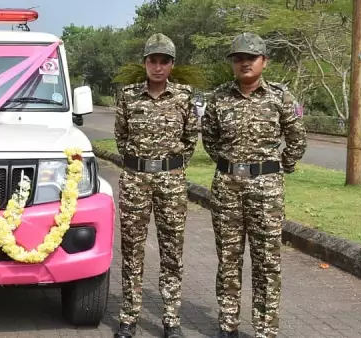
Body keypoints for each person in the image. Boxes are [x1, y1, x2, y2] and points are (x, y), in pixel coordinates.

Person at [201, 32, 307, 338]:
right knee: (228, 259)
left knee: (267, 262)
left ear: (264, 61)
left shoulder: (280, 96)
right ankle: (228, 325)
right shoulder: (219, 97)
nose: (244, 63)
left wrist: (279, 167)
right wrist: (231, 165)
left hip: (266, 189)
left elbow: (297, 138)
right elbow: (209, 138)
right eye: (239, 58)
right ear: (233, 63)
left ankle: (265, 329)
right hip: (227, 188)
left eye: (251, 58)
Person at [113, 33, 199, 338]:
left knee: (172, 249)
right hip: (135, 180)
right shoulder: (128, 96)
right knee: (132, 249)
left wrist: (170, 166)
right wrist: (140, 164)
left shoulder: (184, 97)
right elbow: (121, 136)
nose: (158, 67)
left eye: (164, 61)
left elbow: (190, 138)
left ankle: (171, 318)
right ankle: (129, 316)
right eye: (153, 61)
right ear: (145, 63)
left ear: (172, 64)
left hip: (171, 181)